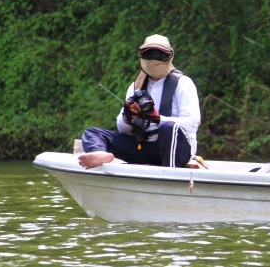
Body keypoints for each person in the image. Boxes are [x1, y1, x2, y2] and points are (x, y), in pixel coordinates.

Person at [78, 34, 201, 169]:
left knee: (169, 128)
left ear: (170, 56)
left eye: (159, 55)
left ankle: (170, 177)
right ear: (141, 55)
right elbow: (122, 129)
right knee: (92, 133)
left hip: (177, 148)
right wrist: (128, 116)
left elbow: (193, 124)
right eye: (149, 54)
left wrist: (157, 119)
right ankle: (99, 153)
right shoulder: (136, 86)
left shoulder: (183, 83)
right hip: (143, 147)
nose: (154, 59)